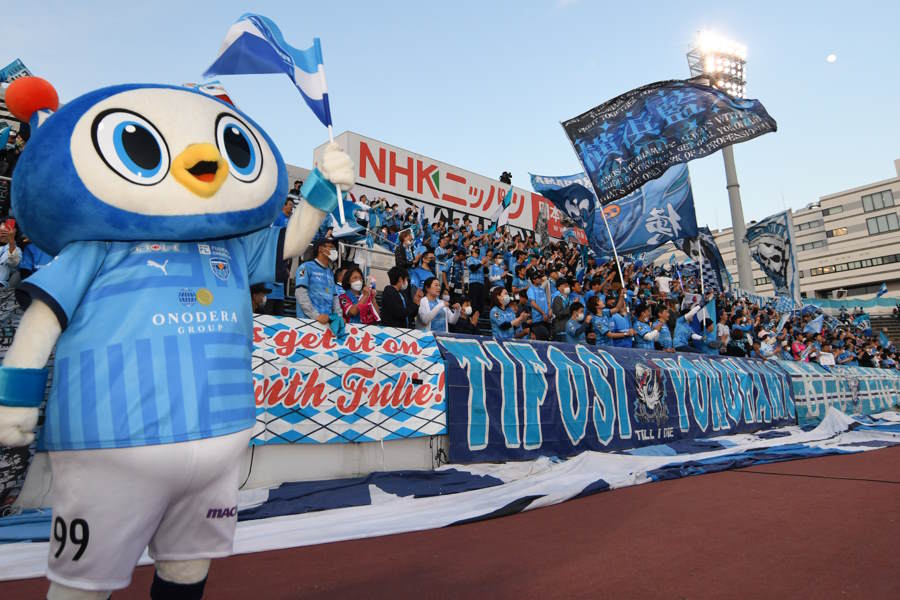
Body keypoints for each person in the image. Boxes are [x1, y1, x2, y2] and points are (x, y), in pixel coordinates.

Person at [296, 239, 340, 323]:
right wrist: (316, 316)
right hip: (308, 322)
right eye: (331, 247)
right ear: (320, 249)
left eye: (335, 248)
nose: (334, 251)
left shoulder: (330, 272)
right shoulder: (305, 267)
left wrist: (339, 317)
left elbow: (334, 297)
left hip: (327, 323)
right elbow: (300, 293)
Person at [526, 270, 552, 341]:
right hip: (538, 321)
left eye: (541, 277)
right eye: (538, 278)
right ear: (534, 280)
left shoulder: (541, 289)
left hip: (546, 319)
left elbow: (546, 302)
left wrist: (549, 310)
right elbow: (533, 303)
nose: (541, 279)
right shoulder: (531, 289)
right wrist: (543, 313)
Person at [467, 245, 488, 314]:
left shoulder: (480, 260)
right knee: (474, 302)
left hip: (481, 283)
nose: (477, 253)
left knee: (481, 303)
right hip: (474, 283)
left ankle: (479, 316)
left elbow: (486, 272)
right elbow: (473, 269)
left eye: (478, 252)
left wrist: (485, 266)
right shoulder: (470, 259)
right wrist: (481, 263)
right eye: (475, 251)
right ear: (472, 251)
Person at [0, 221, 22, 288]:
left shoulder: (16, 250)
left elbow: (13, 261)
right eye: (1, 231)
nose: (2, 234)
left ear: (13, 233)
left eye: (5, 232)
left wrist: (11, 240)